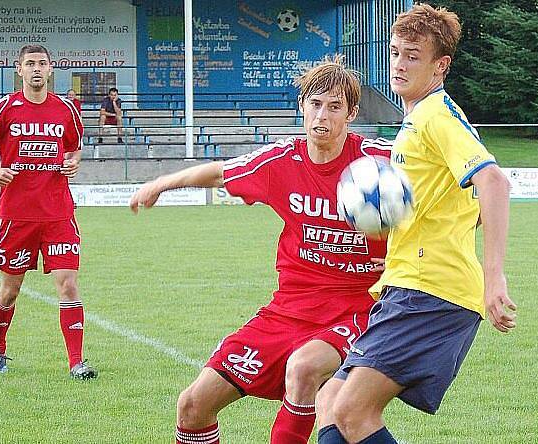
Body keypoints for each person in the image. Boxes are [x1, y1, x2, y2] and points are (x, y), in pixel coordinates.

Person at [130, 55, 391, 444]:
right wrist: (162, 183)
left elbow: (449, 191)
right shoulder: (282, 160)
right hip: (286, 310)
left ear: (351, 113)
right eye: (315, 104)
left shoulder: (380, 163)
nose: (323, 116)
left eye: (334, 107)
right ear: (301, 106)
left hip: (357, 309)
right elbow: (221, 173)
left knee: (304, 369)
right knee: (192, 406)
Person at [316, 5, 516, 443]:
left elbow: (494, 183)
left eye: (413, 55)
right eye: (394, 52)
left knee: (352, 410)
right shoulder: (418, 119)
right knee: (332, 403)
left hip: (432, 290)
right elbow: (469, 202)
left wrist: (494, 277)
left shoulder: (435, 116)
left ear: (439, 65)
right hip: (407, 285)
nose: (399, 64)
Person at [0, 44, 98, 380]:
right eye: (30, 64)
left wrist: (73, 163)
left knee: (68, 284)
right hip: (17, 215)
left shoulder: (66, 110)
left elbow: (75, 147)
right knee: (10, 290)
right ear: (20, 70)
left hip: (58, 214)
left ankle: (76, 362)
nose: (37, 69)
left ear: (51, 69)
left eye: (42, 63)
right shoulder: (4, 109)